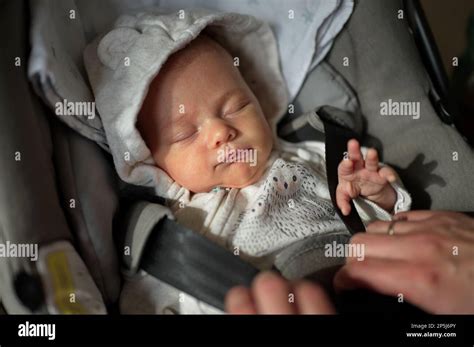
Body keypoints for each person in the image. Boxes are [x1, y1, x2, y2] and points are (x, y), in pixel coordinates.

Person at [225, 210, 474, 314]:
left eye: (239, 108)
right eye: (184, 134)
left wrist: (379, 193)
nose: (220, 131)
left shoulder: (304, 155)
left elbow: (378, 209)